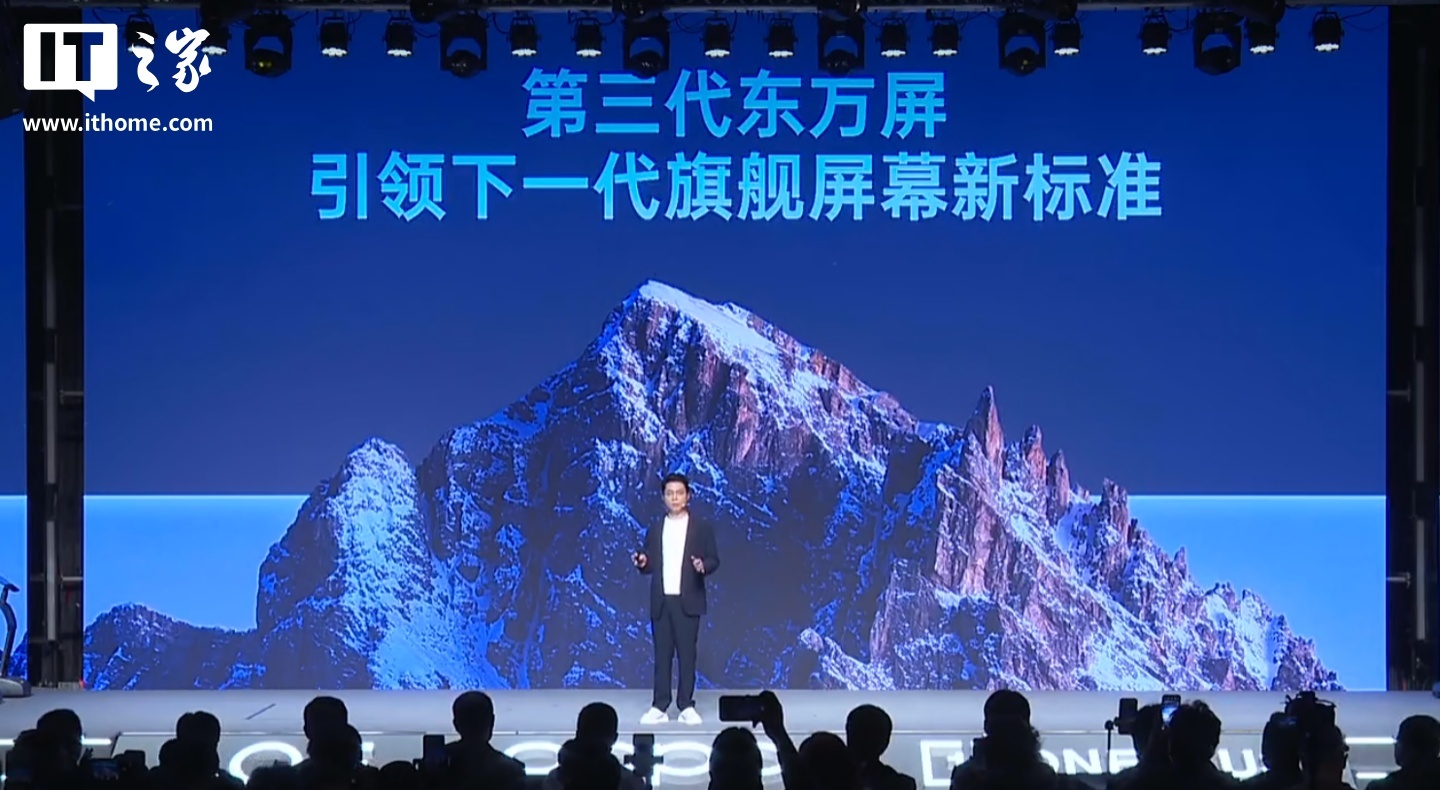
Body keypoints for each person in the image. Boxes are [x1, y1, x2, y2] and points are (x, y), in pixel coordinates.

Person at [634, 472, 720, 725]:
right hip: (661, 601)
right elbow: (650, 563)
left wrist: (703, 566)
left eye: (679, 493)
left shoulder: (701, 528)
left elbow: (714, 559)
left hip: (688, 601)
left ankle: (685, 705)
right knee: (662, 656)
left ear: (688, 496)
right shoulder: (656, 528)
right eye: (670, 493)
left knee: (687, 656)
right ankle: (659, 705)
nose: (675, 498)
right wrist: (643, 562)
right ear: (663, 498)